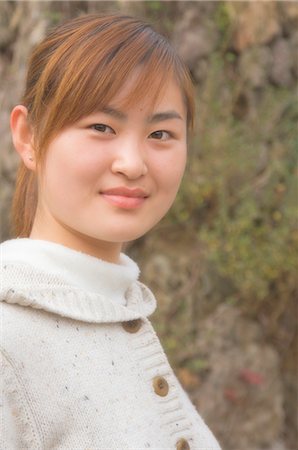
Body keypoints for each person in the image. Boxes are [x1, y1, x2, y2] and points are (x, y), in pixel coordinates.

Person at [0, 13, 221, 450]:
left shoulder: (121, 314)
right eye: (101, 127)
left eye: (161, 133)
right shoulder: (10, 340)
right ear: (28, 137)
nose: (133, 163)